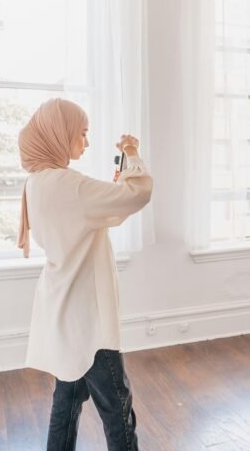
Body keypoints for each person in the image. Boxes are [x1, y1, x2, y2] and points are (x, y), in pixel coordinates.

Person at [17, 98, 152, 451]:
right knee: (117, 408)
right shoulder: (70, 185)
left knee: (67, 401)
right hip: (88, 320)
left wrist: (113, 189)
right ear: (60, 134)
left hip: (60, 310)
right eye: (83, 133)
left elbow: (97, 211)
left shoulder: (36, 182)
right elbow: (138, 194)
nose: (87, 142)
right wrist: (132, 151)